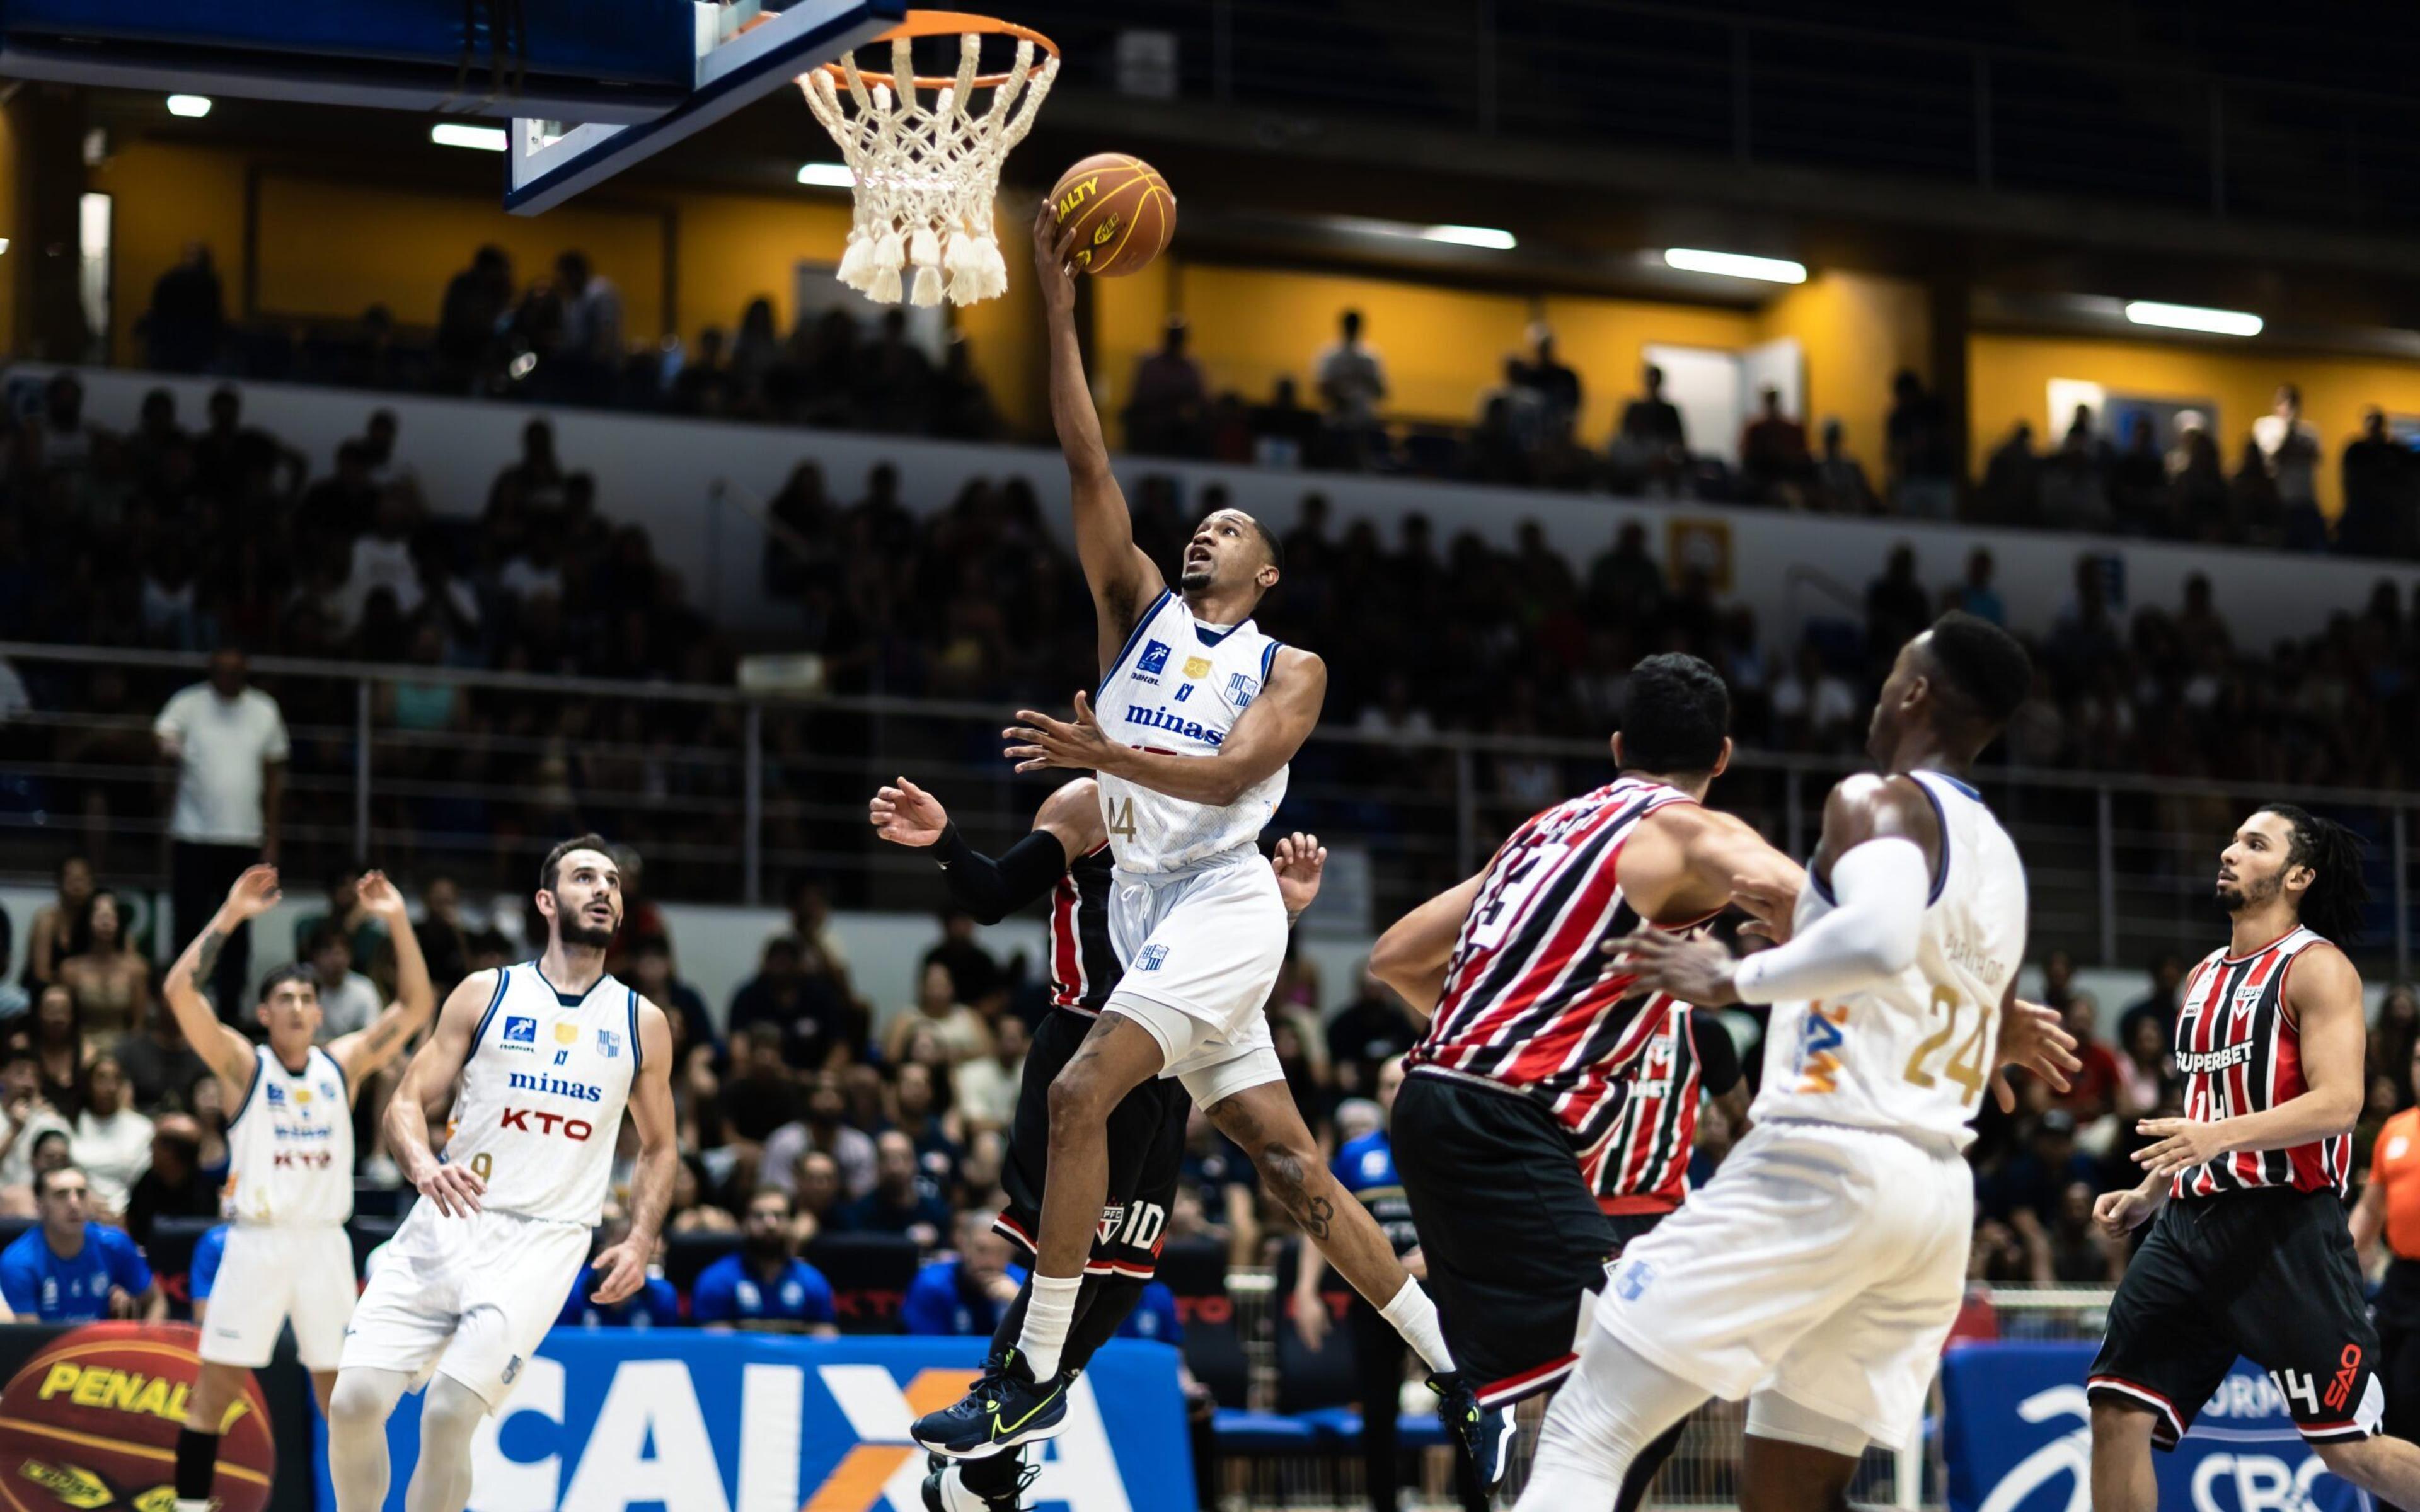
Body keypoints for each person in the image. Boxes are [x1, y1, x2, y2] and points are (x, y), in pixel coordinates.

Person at [1509, 612, 2075, 1512]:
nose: (1884, 690)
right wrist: (1990, 1027)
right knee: (1792, 1498)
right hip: (1930, 1204)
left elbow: (1883, 939)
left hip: (1825, 1160)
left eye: (1894, 671)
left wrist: (1733, 977)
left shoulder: (1876, 800)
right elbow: (1930, 964)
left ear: (1916, 691)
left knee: (1590, 1423)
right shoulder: (2000, 855)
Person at [872, 772, 1439, 1511]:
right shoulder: (1086, 803)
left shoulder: (1214, 812)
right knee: (1068, 1254)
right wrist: (947, 843)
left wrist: (1284, 911)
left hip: (1167, 1057)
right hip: (1086, 1043)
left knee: (1119, 1278)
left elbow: (1219, 945)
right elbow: (991, 894)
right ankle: (1004, 1396)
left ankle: (990, 1472)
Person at [1367, 653, 1801, 1484]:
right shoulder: (1684, 827)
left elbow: (1396, 956)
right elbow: (1809, 899)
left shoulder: (1543, 831)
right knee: (1634, 1369)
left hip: (1438, 1105)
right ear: (1721, 758)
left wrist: (1516, 1031)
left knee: (1624, 1388)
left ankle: (1501, 1425)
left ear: (1615, 745)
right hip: (1502, 1123)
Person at [328, 836, 676, 1512]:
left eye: (611, 882)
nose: (603, 890)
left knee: (448, 1414)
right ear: (547, 902)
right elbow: (404, 1101)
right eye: (583, 878)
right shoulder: (487, 993)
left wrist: (640, 1239)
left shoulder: (642, 1022)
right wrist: (425, 1167)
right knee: (353, 1402)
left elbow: (662, 1146)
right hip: (448, 1217)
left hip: (542, 1239)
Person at [2088, 807, 2420, 1509]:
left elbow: (2339, 1105)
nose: (2230, 851)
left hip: (2284, 1230)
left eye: (2254, 843)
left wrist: (2219, 1137)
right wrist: (2151, 1191)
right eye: (2234, 839)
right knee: (2117, 1409)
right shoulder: (2204, 976)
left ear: (2298, 875)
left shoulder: (2319, 968)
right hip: (2186, 1227)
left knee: (2348, 1450)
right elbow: (2202, 1114)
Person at [163, 866, 435, 1512]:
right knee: (215, 1392)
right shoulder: (241, 1065)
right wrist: (230, 914)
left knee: (341, 1399)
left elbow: (417, 1008)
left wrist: (397, 920)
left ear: (319, 1012)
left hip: (321, 1246)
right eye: (283, 998)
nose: (296, 1007)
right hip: (256, 1243)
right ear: (264, 1012)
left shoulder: (342, 1065)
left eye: (305, 999)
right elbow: (179, 992)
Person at [1584, 1005, 1749, 1512]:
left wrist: (1734, 1198)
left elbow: (1748, 1123)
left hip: (1664, 1224)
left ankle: (1615, 1500)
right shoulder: (1581, 1011)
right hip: (1583, 1217)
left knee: (1673, 1392)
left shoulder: (1701, 1030)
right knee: (1588, 1391)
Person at [155, 648, 288, 1019]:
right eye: (222, 670)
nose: (228, 677)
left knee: (238, 931)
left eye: (236, 671)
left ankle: (229, 1011)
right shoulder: (188, 703)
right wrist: (169, 749)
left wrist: (272, 835)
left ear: (246, 673)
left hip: (243, 837)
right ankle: (180, 1012)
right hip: (192, 833)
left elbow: (275, 777)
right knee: (189, 925)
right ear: (210, 671)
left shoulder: (264, 710)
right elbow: (163, 738)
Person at [2351, 1037, 2420, 1452]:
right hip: (2401, 1285)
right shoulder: (2396, 1129)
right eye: (2417, 1059)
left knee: (2412, 1399)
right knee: (2384, 1405)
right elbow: (2369, 1213)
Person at [0, 1165, 158, 1322]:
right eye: (61, 1195)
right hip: (48, 1346)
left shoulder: (115, 1244)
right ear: (40, 1206)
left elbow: (156, 1301)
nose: (74, 1203)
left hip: (103, 1344)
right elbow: (28, 1338)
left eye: (81, 1194)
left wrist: (148, 1342)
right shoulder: (19, 1262)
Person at [690, 1188, 838, 1334]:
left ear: (792, 1224)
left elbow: (826, 1343)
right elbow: (714, 1347)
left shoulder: (812, 1281)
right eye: (759, 1216)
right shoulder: (717, 1280)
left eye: (779, 1216)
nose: (770, 1224)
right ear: (744, 1223)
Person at [904, 1212, 1028, 1336]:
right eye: (981, 1250)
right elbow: (927, 1350)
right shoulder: (932, 1285)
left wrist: (1020, 1305)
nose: (991, 1261)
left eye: (1001, 1252)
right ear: (963, 1246)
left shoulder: (1021, 1285)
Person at [557, 1208, 682, 1329]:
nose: (626, 1257)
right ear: (602, 1249)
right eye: (619, 1244)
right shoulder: (571, 1292)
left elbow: (668, 1346)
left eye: (634, 1250)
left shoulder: (663, 1296)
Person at [59, 890, 149, 1048]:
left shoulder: (136, 968)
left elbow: (138, 1026)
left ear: (119, 922)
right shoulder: (70, 969)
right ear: (88, 920)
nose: (106, 923)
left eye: (111, 917)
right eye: (100, 916)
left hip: (124, 1049)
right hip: (81, 1049)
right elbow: (66, 1023)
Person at [69, 1055, 153, 1216]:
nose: (110, 1087)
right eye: (102, 1079)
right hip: (78, 1209)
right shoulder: (69, 1123)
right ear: (88, 1085)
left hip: (130, 1213)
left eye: (116, 1080)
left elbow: (144, 1183)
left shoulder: (142, 1128)